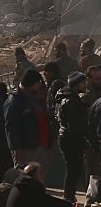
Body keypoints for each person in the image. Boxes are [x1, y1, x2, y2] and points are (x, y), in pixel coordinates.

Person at [4, 69, 49, 174]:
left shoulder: (34, 97)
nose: (40, 86)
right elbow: (11, 128)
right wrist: (16, 149)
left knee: (38, 177)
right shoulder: (14, 101)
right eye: (38, 84)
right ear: (31, 84)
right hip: (25, 149)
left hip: (39, 146)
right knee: (24, 177)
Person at [57, 70, 88, 203]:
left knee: (74, 169)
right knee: (73, 169)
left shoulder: (71, 98)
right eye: (82, 83)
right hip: (70, 140)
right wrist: (82, 142)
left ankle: (69, 196)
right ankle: (68, 197)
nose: (85, 85)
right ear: (75, 84)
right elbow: (73, 127)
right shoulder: (70, 102)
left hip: (68, 138)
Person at [5, 163, 72, 207]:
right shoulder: (32, 187)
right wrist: (69, 205)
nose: (43, 176)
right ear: (36, 175)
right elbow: (48, 201)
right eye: (41, 173)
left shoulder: (20, 185)